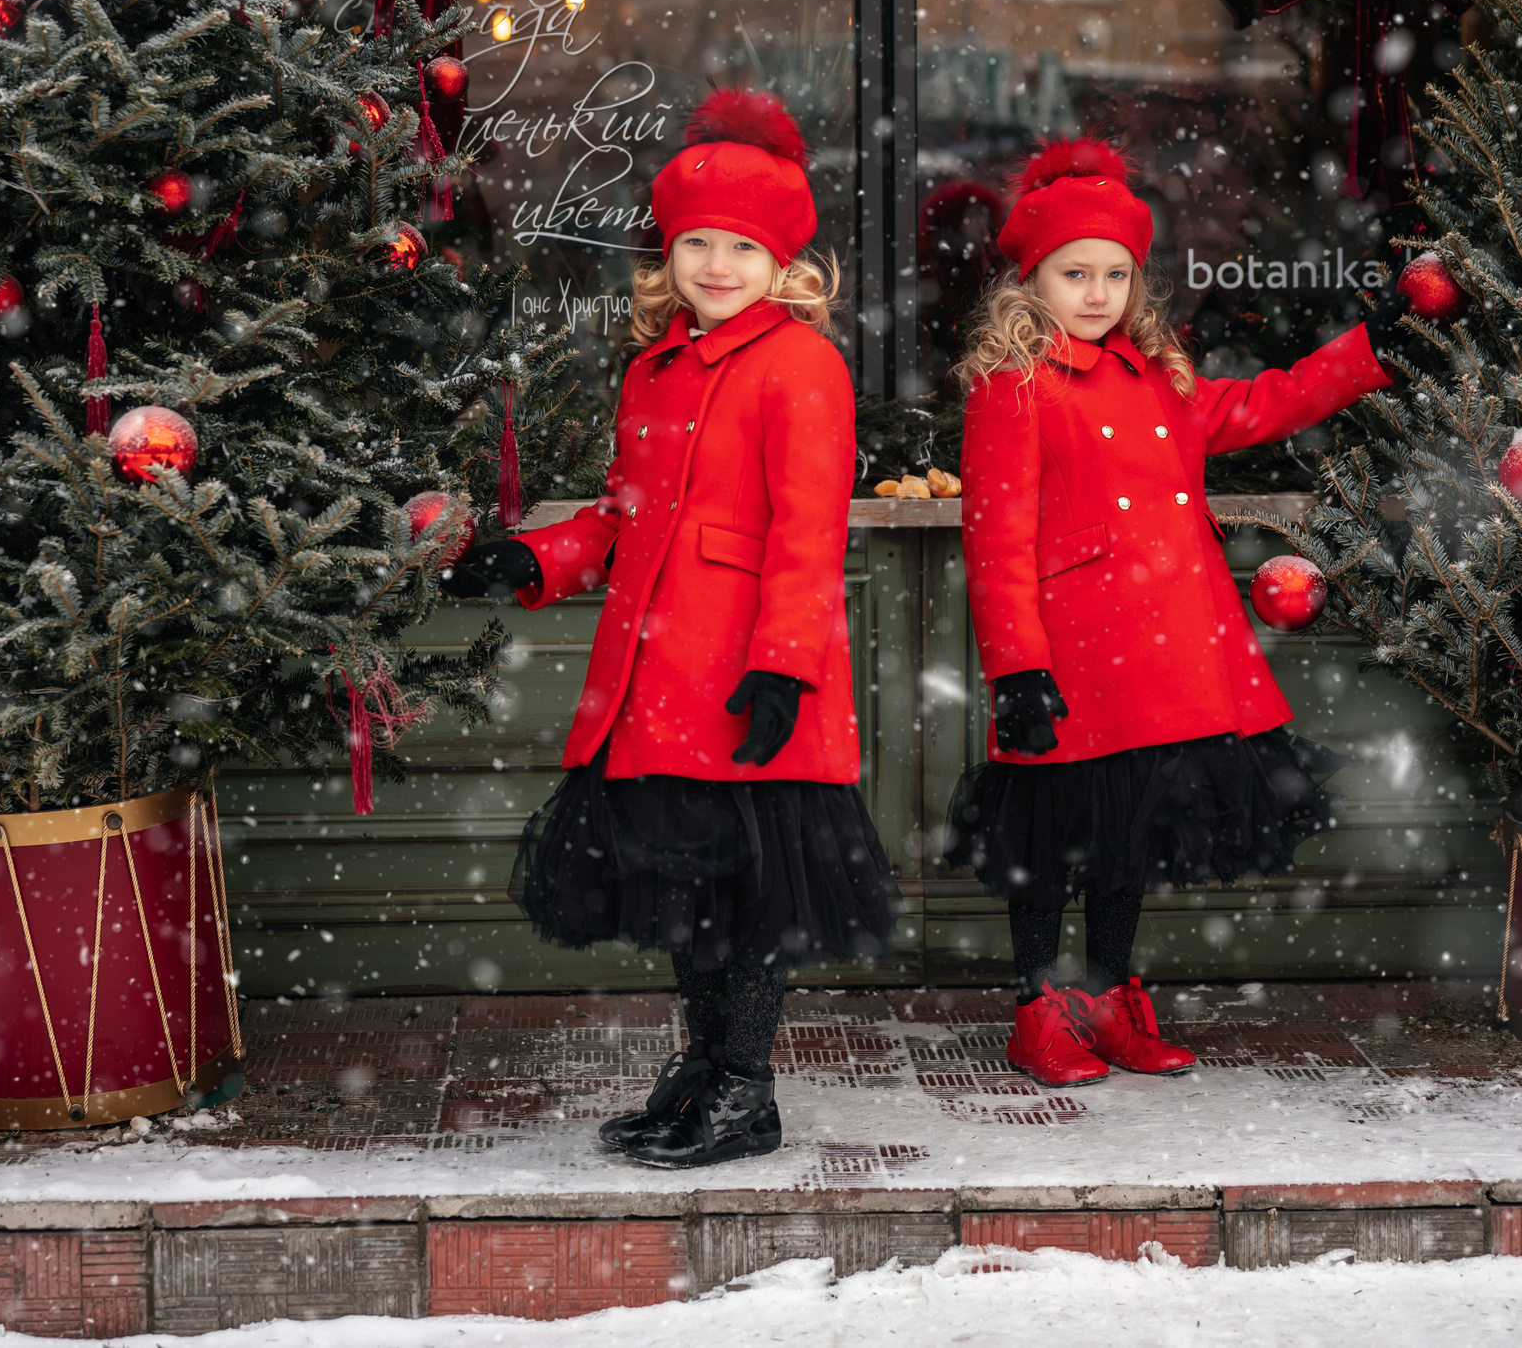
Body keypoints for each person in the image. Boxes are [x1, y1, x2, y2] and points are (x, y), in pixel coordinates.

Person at [442, 88, 892, 1168]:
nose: (718, 264)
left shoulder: (800, 366)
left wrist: (783, 668)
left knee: (744, 898)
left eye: (742, 245)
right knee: (686, 895)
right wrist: (535, 556)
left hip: (742, 679)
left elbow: (806, 534)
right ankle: (704, 1071)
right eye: (698, 242)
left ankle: (746, 1088)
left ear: (781, 261)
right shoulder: (654, 367)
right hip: (653, 679)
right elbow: (620, 513)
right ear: (670, 253)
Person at [948, 140, 1394, 1086]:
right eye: (1076, 274)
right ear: (1033, 280)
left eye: (1116, 274)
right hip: (1070, 656)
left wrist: (1367, 352)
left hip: (1169, 655)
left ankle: (1110, 1000)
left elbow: (1265, 403)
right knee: (1051, 840)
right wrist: (1016, 667)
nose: (1099, 292)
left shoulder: (1159, 376)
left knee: (1130, 838)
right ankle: (1041, 1008)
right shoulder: (1011, 384)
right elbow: (995, 539)